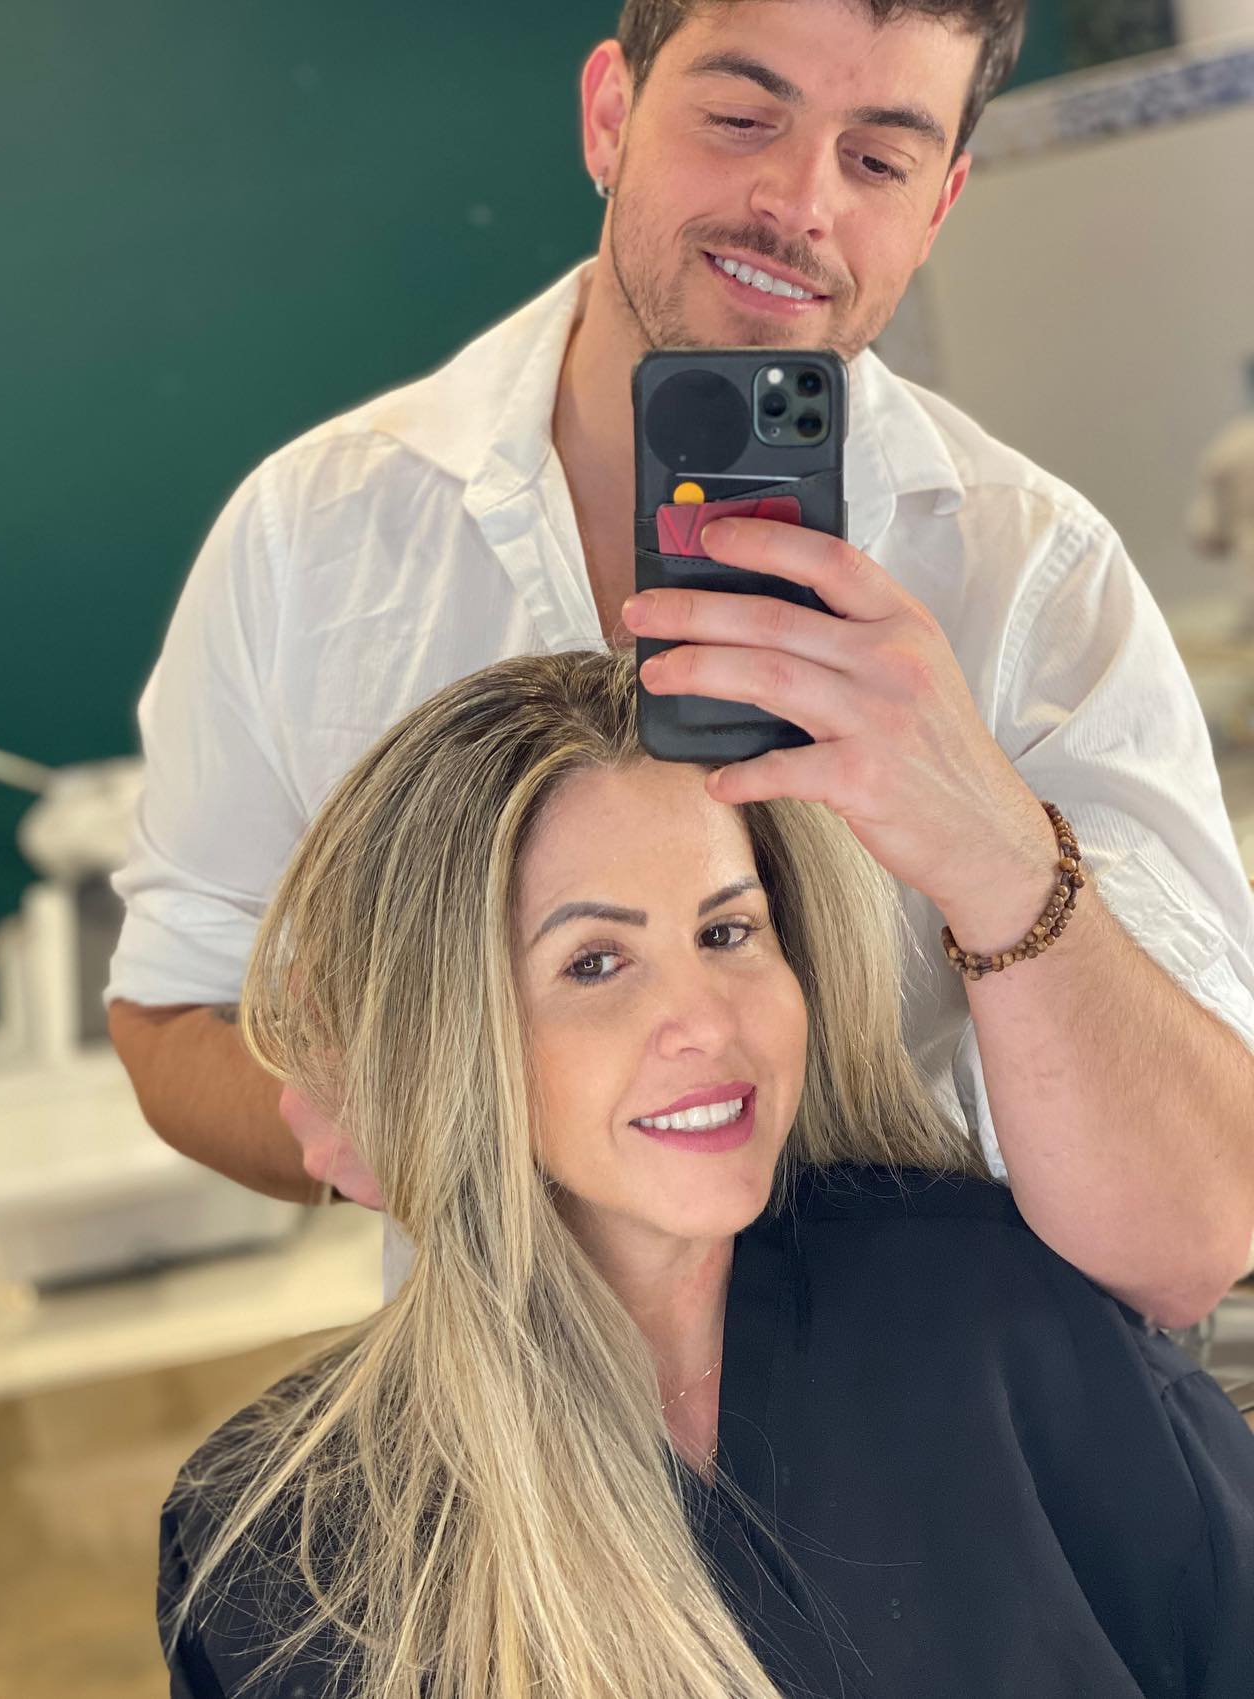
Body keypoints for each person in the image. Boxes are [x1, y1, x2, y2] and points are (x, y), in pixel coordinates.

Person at [107, 0, 1254, 1326]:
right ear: (610, 117)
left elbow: (1195, 1239)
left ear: (938, 206)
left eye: (878, 160)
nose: (800, 203)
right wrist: (374, 1124)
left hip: (969, 1419)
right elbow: (173, 1015)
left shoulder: (1039, 582)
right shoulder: (313, 540)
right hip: (529, 1426)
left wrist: (993, 844)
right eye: (741, 117)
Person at [158, 650, 1254, 1699]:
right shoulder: (277, 1548)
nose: (705, 1022)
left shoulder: (1009, 1321)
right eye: (596, 962)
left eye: (728, 931)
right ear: (445, 1036)